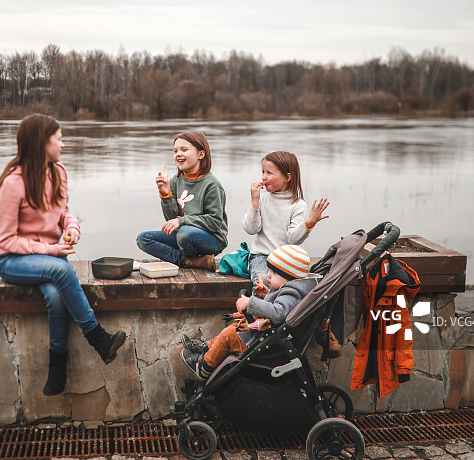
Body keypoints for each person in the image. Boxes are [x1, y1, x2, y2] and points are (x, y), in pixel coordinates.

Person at [0, 114, 126, 396]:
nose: (63, 145)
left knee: (55, 296)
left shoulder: (58, 172)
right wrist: (50, 249)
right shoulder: (12, 184)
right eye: (59, 139)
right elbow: (5, 240)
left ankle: (57, 368)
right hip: (12, 261)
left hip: (49, 259)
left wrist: (72, 227)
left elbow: (64, 211)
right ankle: (98, 338)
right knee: (63, 271)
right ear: (42, 143)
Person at [181, 245, 317, 381]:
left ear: (289, 277)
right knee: (233, 328)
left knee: (229, 335)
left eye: (274, 272)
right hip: (265, 338)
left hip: (265, 347)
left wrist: (250, 303)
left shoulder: (292, 293)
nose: (268, 274)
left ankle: (205, 367)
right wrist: (266, 294)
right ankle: (206, 348)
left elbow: (279, 312)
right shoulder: (293, 289)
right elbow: (282, 306)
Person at [136, 132, 228, 271]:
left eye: (184, 150)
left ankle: (186, 258)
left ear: (200, 154)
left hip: (211, 239)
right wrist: (166, 195)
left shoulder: (212, 185)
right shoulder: (174, 181)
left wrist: (182, 221)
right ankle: (189, 261)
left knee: (184, 233)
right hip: (183, 236)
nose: (178, 154)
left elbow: (215, 222)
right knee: (143, 239)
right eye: (175, 151)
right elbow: (171, 220)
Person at [243, 151, 329, 290]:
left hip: (287, 259)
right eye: (263, 172)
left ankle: (285, 310)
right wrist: (254, 202)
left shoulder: (298, 204)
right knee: (265, 280)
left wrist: (309, 223)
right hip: (261, 256)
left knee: (298, 286)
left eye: (269, 173)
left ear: (287, 177)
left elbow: (293, 239)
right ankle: (257, 308)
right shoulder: (262, 198)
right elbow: (251, 229)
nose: (264, 177)